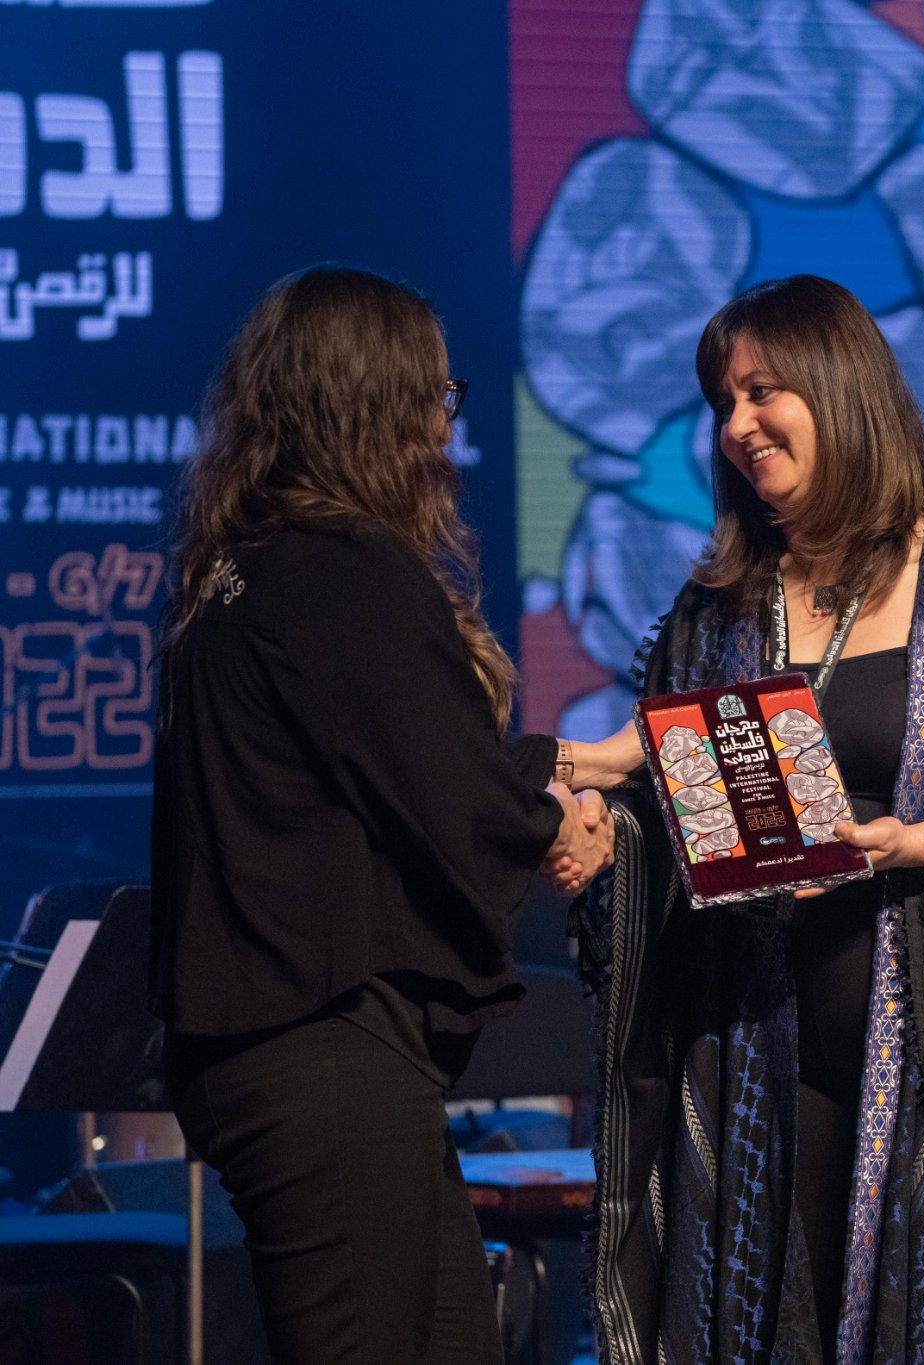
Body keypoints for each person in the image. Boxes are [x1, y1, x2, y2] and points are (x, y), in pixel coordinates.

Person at [564, 274, 924, 1365]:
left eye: (763, 391)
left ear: (840, 388)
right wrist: (598, 819)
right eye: (723, 401)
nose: (738, 424)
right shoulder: (716, 610)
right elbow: (662, 797)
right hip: (750, 1048)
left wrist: (909, 843)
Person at [150, 265, 617, 1365]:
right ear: (377, 402)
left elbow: (376, 763)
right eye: (435, 396)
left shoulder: (245, 567)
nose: (443, 428)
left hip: (280, 1058)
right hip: (325, 1058)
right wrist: (555, 828)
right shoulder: (346, 569)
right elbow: (444, 790)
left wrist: (571, 766)